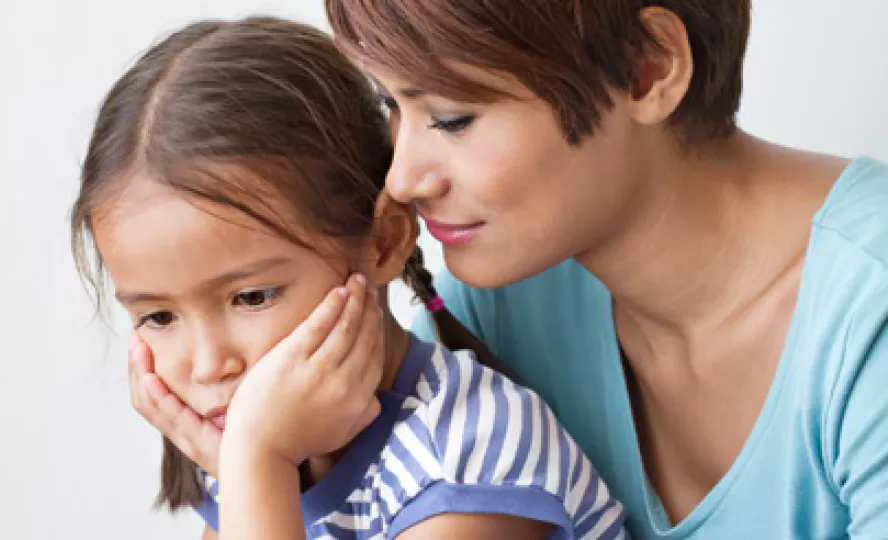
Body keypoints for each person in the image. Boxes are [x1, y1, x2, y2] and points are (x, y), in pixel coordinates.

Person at [322, 1, 888, 538]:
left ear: (648, 67)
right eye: (390, 105)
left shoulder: (867, 317)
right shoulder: (498, 312)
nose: (402, 179)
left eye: (451, 117)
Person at [71, 16, 627, 539]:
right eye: (159, 317)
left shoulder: (471, 453)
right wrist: (250, 466)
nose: (209, 364)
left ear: (383, 241)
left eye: (252, 297)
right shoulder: (257, 453)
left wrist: (257, 462)